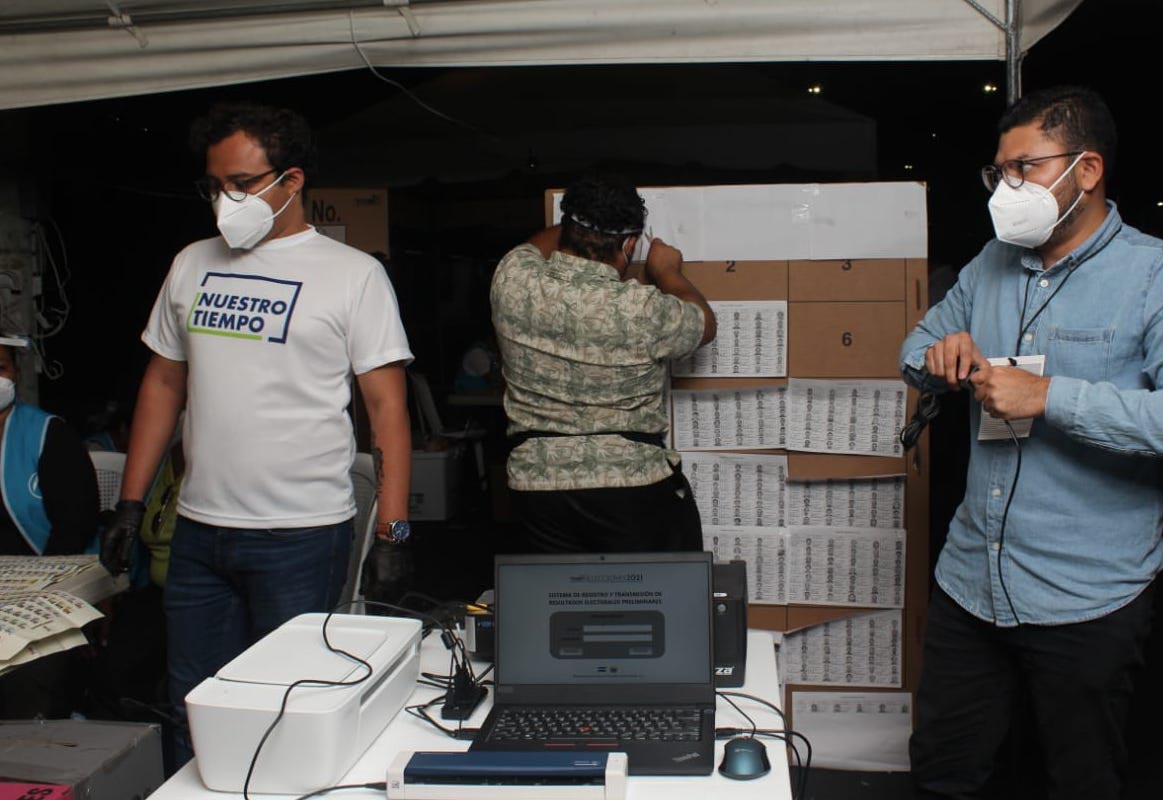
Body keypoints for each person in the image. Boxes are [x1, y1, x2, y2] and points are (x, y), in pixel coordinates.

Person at [899, 85, 1163, 800]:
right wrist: (938, 355)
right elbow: (915, 344)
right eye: (998, 172)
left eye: (1025, 168)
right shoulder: (989, 264)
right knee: (939, 779)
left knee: (1080, 795)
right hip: (970, 581)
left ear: (1087, 170)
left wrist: (1050, 396)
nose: (1006, 188)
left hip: (1087, 595)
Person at [99, 102, 414, 766]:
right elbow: (164, 384)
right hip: (198, 532)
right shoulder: (192, 262)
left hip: (301, 535)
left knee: (289, 707)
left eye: (241, 184)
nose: (226, 200)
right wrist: (130, 501)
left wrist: (392, 532)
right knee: (194, 703)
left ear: (291, 180)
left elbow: (386, 409)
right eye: (214, 185)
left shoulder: (353, 275)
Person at [490, 173, 716, 553]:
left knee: (556, 590)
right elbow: (703, 324)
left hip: (537, 487)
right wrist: (668, 272)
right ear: (629, 244)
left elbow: (532, 246)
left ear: (567, 227)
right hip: (631, 486)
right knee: (645, 589)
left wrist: (581, 221)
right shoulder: (642, 308)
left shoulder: (513, 280)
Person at [0, 337, 98, 557]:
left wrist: (43, 573)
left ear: (16, 373)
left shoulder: (50, 434)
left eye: (0, 368)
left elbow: (75, 525)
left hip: (43, 566)